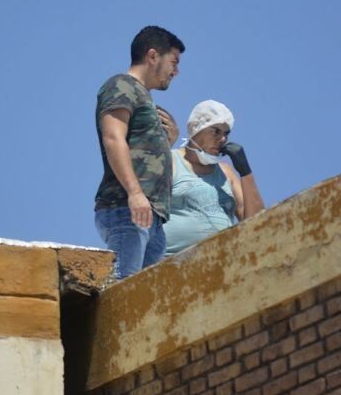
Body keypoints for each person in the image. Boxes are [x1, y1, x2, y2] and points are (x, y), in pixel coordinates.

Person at [94, 25, 185, 279]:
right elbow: (113, 138)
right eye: (174, 62)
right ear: (153, 56)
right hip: (128, 209)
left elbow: (142, 154)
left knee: (146, 297)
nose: (176, 72)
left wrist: (167, 142)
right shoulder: (121, 85)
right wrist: (135, 193)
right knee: (125, 290)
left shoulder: (143, 96)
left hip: (151, 216)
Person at [163, 100, 265, 256]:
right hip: (172, 261)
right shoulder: (171, 161)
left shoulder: (226, 172)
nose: (223, 139)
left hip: (223, 261)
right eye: (216, 131)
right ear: (196, 129)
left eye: (226, 133)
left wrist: (245, 172)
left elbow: (259, 224)